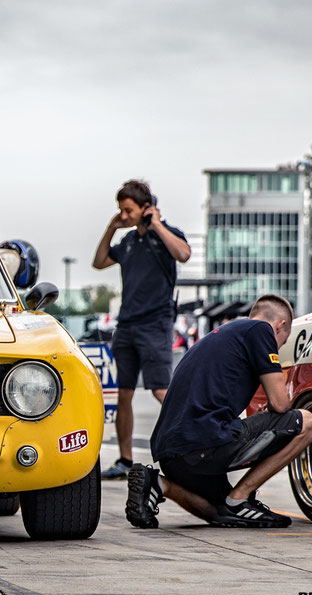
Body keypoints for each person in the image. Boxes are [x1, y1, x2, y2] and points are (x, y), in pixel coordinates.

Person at [126, 295, 312, 528]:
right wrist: (278, 405)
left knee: (219, 512)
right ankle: (241, 498)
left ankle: (158, 484)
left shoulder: (222, 335)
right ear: (282, 326)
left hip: (172, 453)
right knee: (307, 422)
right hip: (203, 443)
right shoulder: (261, 330)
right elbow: (280, 404)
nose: (278, 346)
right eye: (282, 341)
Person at [92, 180, 191, 479]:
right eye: (120, 210)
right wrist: (112, 227)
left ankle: (190, 449)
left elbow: (184, 254)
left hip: (155, 325)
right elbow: (98, 263)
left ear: (145, 208)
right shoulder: (128, 242)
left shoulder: (167, 236)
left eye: (128, 210)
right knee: (124, 393)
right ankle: (124, 460)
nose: (124, 215)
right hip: (127, 326)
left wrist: (157, 225)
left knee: (162, 390)